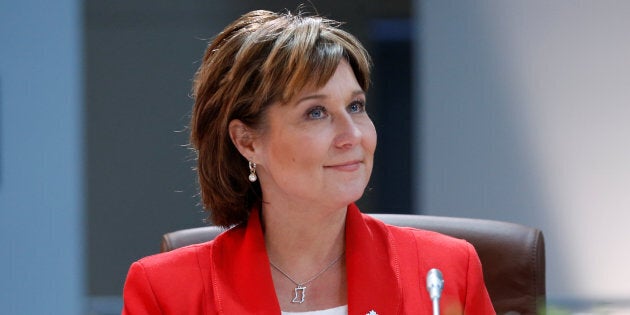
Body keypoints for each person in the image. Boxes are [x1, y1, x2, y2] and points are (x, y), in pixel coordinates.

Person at [122, 9, 495, 315]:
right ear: (247, 141)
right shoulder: (166, 292)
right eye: (316, 113)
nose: (353, 135)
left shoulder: (444, 271)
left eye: (356, 106)